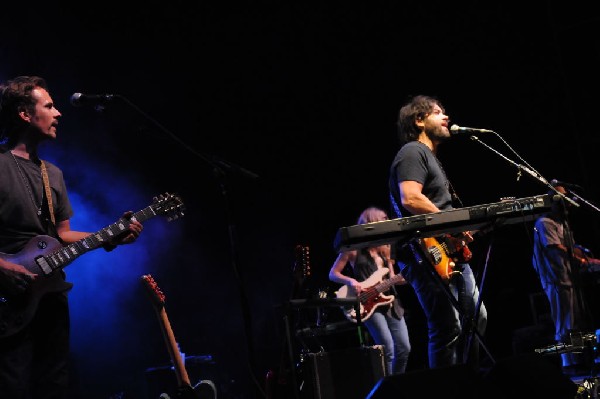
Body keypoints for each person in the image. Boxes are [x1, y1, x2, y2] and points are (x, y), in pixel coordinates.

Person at [0, 75, 144, 398]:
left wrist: (110, 235)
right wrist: (4, 268)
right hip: (9, 299)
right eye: (49, 106)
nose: (59, 113)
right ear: (24, 114)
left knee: (54, 384)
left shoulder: (54, 174)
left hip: (50, 297)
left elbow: (62, 235)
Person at [387, 95, 487, 371]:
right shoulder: (412, 152)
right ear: (419, 120)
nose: (446, 117)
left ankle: (469, 383)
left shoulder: (430, 159)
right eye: (437, 112)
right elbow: (410, 198)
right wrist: (451, 224)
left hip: (447, 251)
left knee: (476, 317)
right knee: (447, 326)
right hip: (424, 253)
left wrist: (456, 233)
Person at [329, 206, 411, 375]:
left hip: (389, 300)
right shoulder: (352, 249)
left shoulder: (385, 248)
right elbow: (333, 273)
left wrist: (406, 277)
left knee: (404, 347)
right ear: (371, 223)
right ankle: (385, 389)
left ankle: (396, 383)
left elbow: (392, 278)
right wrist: (351, 281)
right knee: (387, 347)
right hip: (367, 302)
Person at [532, 182, 600, 370]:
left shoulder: (562, 223)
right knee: (565, 324)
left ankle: (577, 360)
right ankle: (568, 364)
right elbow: (555, 249)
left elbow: (571, 248)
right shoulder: (544, 222)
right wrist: (585, 262)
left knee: (576, 322)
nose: (566, 204)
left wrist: (588, 258)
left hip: (569, 279)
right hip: (555, 280)